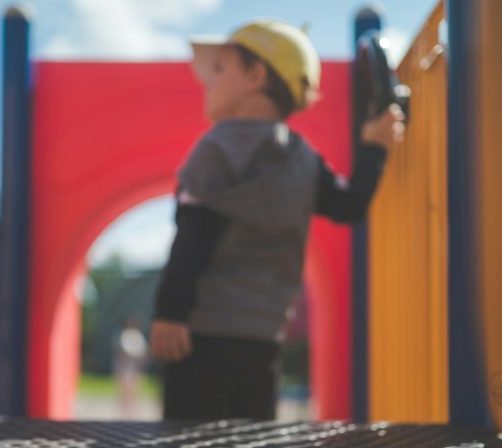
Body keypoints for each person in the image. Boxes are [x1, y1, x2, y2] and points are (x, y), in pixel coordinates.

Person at [150, 19, 404, 421]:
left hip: (200, 335)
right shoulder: (303, 158)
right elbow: (350, 205)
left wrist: (170, 312)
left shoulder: (214, 148)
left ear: (255, 75)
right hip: (264, 338)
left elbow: (194, 234)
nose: (208, 82)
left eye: (219, 70)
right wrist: (373, 150)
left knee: (185, 445)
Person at [112, 315, 149, 419]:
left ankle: (133, 414)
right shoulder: (124, 334)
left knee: (135, 391)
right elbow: (124, 351)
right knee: (124, 392)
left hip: (135, 367)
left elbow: (143, 351)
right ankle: (123, 414)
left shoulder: (137, 335)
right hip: (125, 367)